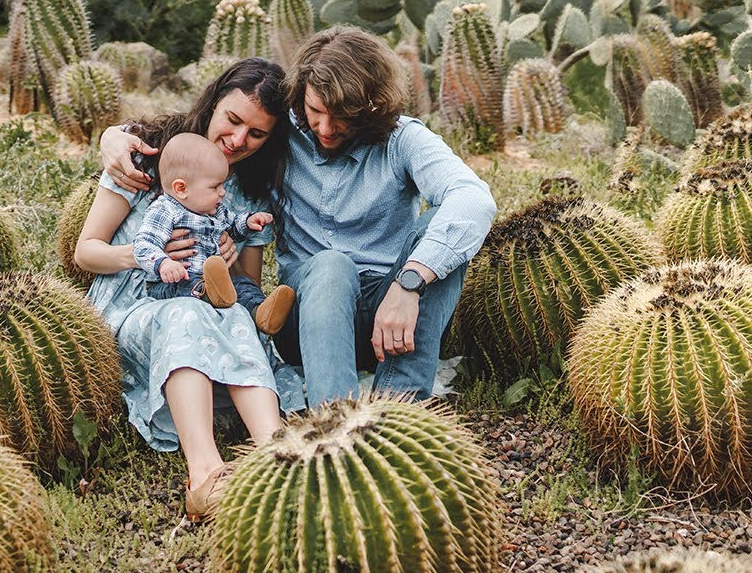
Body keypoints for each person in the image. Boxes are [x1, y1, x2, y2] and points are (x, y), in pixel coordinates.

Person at [101, 26, 496, 407]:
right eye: (315, 110)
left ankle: (400, 406)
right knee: (331, 264)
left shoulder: (402, 140)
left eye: (343, 116)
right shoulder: (282, 133)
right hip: (306, 315)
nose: (325, 127)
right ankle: (335, 418)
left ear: (371, 105)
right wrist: (114, 136)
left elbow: (473, 199)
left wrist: (409, 284)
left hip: (389, 310)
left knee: (443, 232)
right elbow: (209, 130)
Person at [74, 58, 303, 521]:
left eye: (256, 133)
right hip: (134, 305)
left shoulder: (250, 192)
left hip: (205, 304)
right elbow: (86, 251)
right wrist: (149, 257)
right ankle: (205, 474)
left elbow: (241, 287)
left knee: (232, 314)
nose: (238, 140)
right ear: (214, 102)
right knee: (186, 314)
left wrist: (230, 264)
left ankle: (278, 456)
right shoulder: (148, 155)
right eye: (233, 119)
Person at [132, 132, 296, 335]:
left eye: (223, 185)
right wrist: (163, 263)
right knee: (191, 284)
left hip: (216, 281)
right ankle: (212, 295)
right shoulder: (165, 210)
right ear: (181, 188)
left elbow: (232, 227)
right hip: (174, 283)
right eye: (215, 186)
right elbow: (143, 244)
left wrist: (248, 222)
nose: (222, 192)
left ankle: (261, 313)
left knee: (242, 284)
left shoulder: (215, 211)